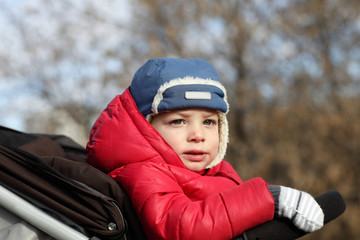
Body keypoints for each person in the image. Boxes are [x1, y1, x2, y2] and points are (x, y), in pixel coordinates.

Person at [86, 58, 324, 240]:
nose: (198, 135)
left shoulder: (215, 170)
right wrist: (270, 199)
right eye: (178, 121)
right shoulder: (144, 173)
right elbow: (182, 227)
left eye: (209, 122)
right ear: (145, 126)